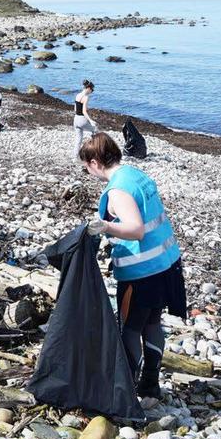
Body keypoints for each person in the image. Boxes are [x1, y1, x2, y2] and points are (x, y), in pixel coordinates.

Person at [81, 133, 186, 399]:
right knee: (153, 322)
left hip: (142, 272)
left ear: (94, 162)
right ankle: (151, 383)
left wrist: (105, 226)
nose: (87, 171)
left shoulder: (117, 190)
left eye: (86, 166)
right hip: (166, 263)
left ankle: (128, 383)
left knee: (130, 327)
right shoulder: (135, 175)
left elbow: (136, 229)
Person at [73, 79, 98, 157]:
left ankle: (75, 157)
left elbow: (75, 109)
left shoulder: (77, 95)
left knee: (78, 140)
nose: (91, 92)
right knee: (95, 130)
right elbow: (84, 112)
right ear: (88, 88)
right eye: (92, 90)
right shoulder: (86, 97)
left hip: (75, 119)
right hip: (82, 120)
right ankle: (94, 152)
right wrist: (90, 120)